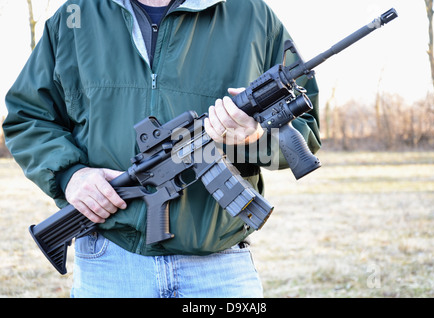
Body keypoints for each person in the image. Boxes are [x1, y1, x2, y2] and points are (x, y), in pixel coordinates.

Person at [3, 0, 320, 297]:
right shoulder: (76, 14)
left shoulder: (251, 15)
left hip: (220, 269)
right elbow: (28, 116)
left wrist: (257, 136)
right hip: (110, 263)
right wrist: (70, 175)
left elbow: (306, 126)